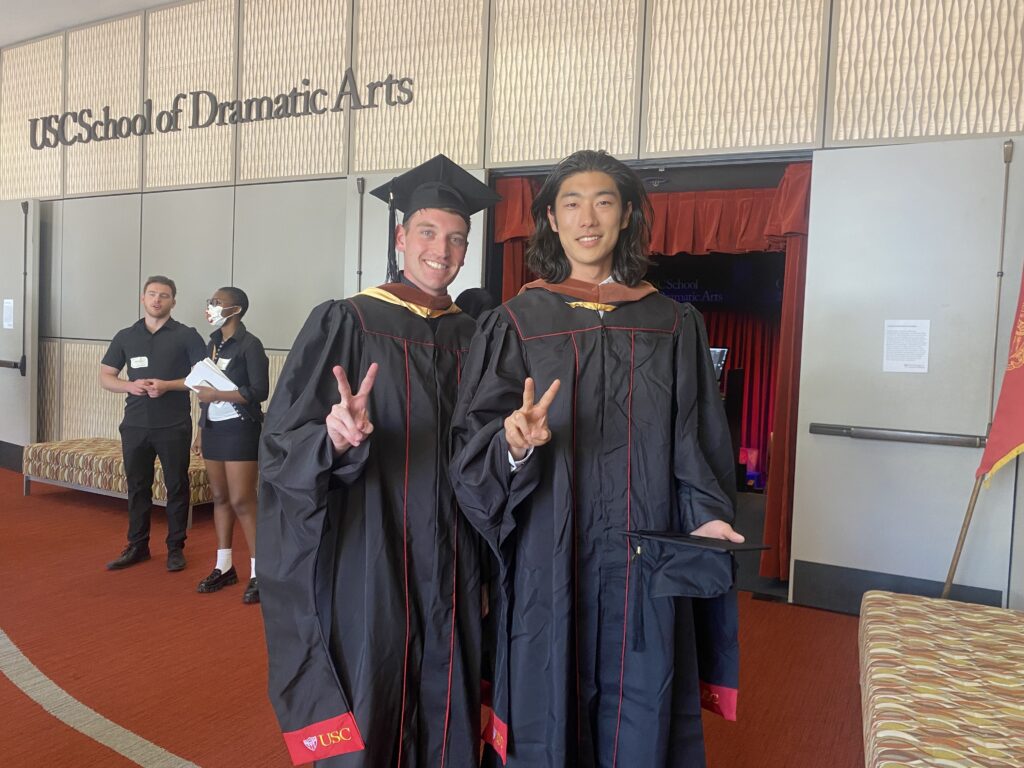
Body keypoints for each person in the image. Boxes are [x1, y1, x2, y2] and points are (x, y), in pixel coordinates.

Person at [450, 150, 744, 767]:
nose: (589, 217)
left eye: (604, 201)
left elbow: (694, 435)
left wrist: (706, 515)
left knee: (639, 699)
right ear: (551, 221)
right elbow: (473, 445)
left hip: (645, 548)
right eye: (572, 204)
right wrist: (511, 442)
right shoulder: (517, 322)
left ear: (628, 214)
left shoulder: (669, 321)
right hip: (548, 554)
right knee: (545, 694)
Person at [258, 155, 501, 766]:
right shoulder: (349, 320)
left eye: (456, 238)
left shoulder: (476, 337)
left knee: (449, 686)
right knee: (375, 683)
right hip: (371, 544)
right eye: (427, 232)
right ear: (400, 237)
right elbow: (283, 443)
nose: (441, 250)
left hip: (453, 549)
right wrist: (333, 440)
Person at [100, 275, 206, 572]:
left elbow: (203, 378)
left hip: (173, 425)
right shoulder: (126, 336)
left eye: (164, 295)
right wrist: (128, 386)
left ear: (173, 301)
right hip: (135, 424)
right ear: (142, 298)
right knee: (137, 486)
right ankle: (137, 546)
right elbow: (106, 376)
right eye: (152, 294)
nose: (157, 299)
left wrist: (168, 385)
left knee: (176, 486)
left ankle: (175, 548)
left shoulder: (187, 335)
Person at [190, 287, 269, 604]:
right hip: (213, 428)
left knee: (242, 501)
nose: (210, 307)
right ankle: (224, 567)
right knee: (219, 497)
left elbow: (259, 391)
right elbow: (205, 385)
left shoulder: (251, 345)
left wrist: (218, 397)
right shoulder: (213, 342)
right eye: (211, 302)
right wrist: (199, 429)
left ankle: (258, 572)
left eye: (217, 303)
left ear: (235, 310)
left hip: (240, 429)